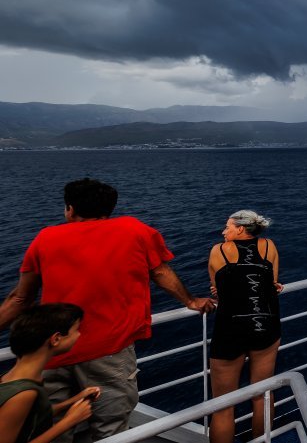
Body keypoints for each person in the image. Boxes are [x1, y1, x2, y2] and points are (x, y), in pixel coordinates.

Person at [0, 178, 215, 442]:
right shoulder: (134, 230)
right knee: (110, 430)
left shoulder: (46, 237)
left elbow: (20, 299)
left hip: (53, 350)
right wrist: (190, 301)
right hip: (110, 351)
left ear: (70, 208)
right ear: (109, 208)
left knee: (52, 427)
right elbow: (160, 272)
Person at [207, 211, 283, 443]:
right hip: (266, 326)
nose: (223, 231)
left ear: (240, 228)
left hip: (230, 330)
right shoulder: (269, 246)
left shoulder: (218, 251)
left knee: (223, 406)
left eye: (227, 226)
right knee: (262, 395)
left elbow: (218, 292)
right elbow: (271, 284)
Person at [0, 304, 100, 443]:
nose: (79, 334)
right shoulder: (24, 393)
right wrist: (69, 421)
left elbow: (34, 417)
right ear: (56, 339)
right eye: (76, 330)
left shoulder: (12, 377)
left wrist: (75, 399)